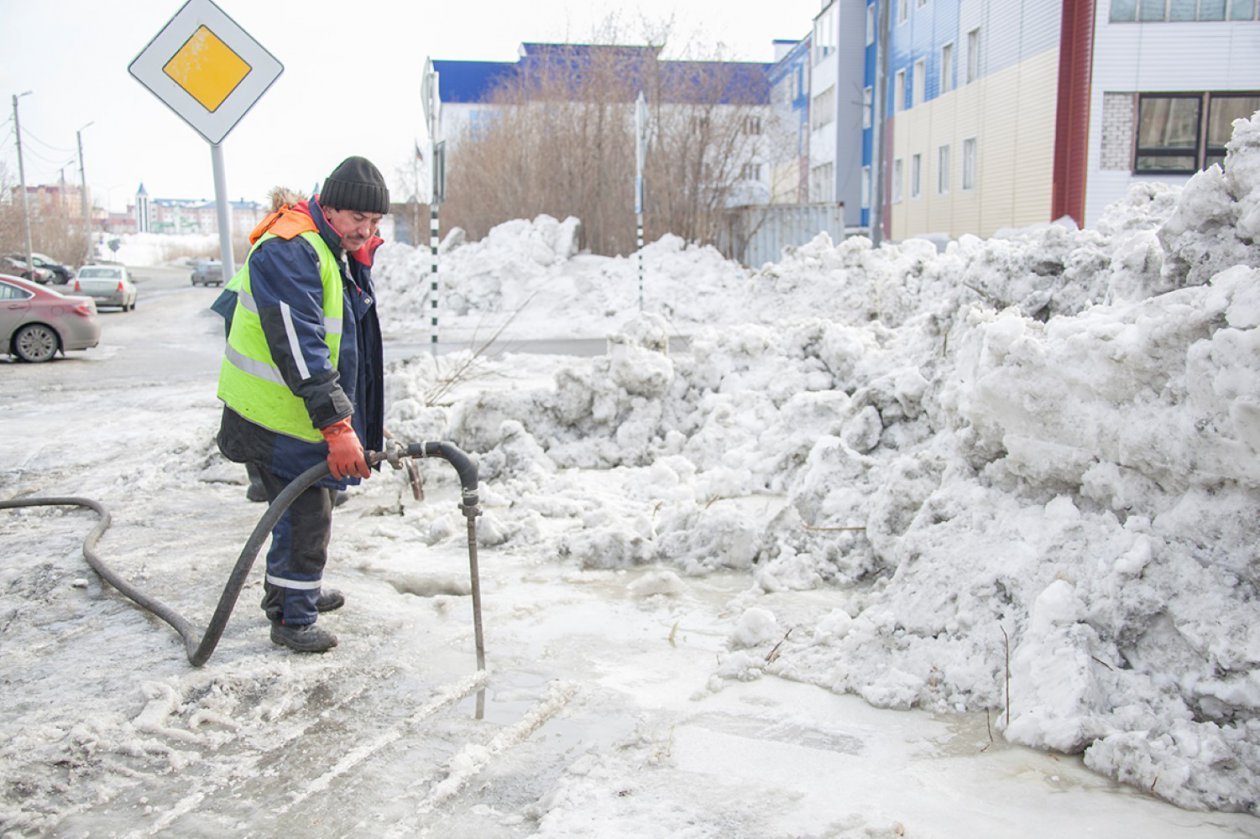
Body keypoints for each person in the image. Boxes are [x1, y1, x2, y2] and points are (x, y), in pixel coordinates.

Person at [216, 156, 389, 653]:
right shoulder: (292, 251)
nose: (366, 231)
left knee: (306, 509)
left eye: (375, 223)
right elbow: (301, 347)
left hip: (298, 414)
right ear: (329, 207)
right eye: (359, 219)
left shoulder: (330, 248)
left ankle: (294, 591)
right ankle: (293, 618)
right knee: (304, 515)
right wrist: (337, 426)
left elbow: (349, 344)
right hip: (274, 416)